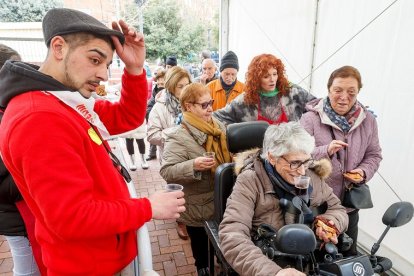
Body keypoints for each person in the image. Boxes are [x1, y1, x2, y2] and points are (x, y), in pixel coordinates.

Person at [0, 8, 185, 275]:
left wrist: (134, 69)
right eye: (95, 59)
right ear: (59, 47)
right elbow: (72, 217)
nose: (102, 74)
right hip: (89, 264)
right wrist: (148, 207)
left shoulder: (60, 99)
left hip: (101, 254)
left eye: (107, 65)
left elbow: (126, 116)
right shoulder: (39, 118)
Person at [219, 122, 348, 276]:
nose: (301, 171)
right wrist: (273, 273)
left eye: (305, 161)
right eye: (294, 163)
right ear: (272, 157)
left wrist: (329, 223)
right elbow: (232, 235)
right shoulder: (250, 180)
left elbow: (337, 209)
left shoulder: (311, 175)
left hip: (309, 260)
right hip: (268, 262)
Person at [300, 65, 382, 256]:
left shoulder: (368, 120)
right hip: (318, 205)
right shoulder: (310, 119)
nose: (344, 97)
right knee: (318, 259)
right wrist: (325, 151)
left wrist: (363, 172)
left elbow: (374, 154)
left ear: (358, 92)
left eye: (351, 92)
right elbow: (298, 156)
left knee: (348, 255)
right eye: (338, 90)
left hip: (349, 206)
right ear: (329, 90)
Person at [160, 83, 231, 276]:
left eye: (211, 102)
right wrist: (193, 166)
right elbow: (167, 171)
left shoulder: (218, 126)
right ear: (189, 106)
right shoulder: (178, 136)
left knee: (222, 246)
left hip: (222, 201)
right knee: (202, 251)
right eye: (204, 104)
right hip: (198, 208)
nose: (210, 108)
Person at [0, 44, 42, 276]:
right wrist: (38, 177)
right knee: (28, 267)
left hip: (17, 210)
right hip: (16, 212)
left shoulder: (7, 109)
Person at [147, 66, 191, 240]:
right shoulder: (160, 107)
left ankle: (192, 217)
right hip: (171, 158)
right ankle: (181, 221)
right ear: (172, 86)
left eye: (187, 85)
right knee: (177, 190)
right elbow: (151, 135)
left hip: (192, 154)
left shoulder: (192, 101)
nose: (185, 89)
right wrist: (174, 133)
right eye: (181, 86)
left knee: (192, 188)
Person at [214, 53, 315, 124]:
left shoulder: (293, 92)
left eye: (275, 74)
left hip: (292, 151)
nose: (272, 79)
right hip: (261, 153)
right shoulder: (245, 100)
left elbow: (317, 107)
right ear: (256, 79)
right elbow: (217, 117)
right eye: (266, 76)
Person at [146, 68, 166, 161]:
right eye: (158, 84)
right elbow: (149, 106)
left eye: (162, 84)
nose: (160, 86)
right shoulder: (155, 93)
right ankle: (152, 153)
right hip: (157, 125)